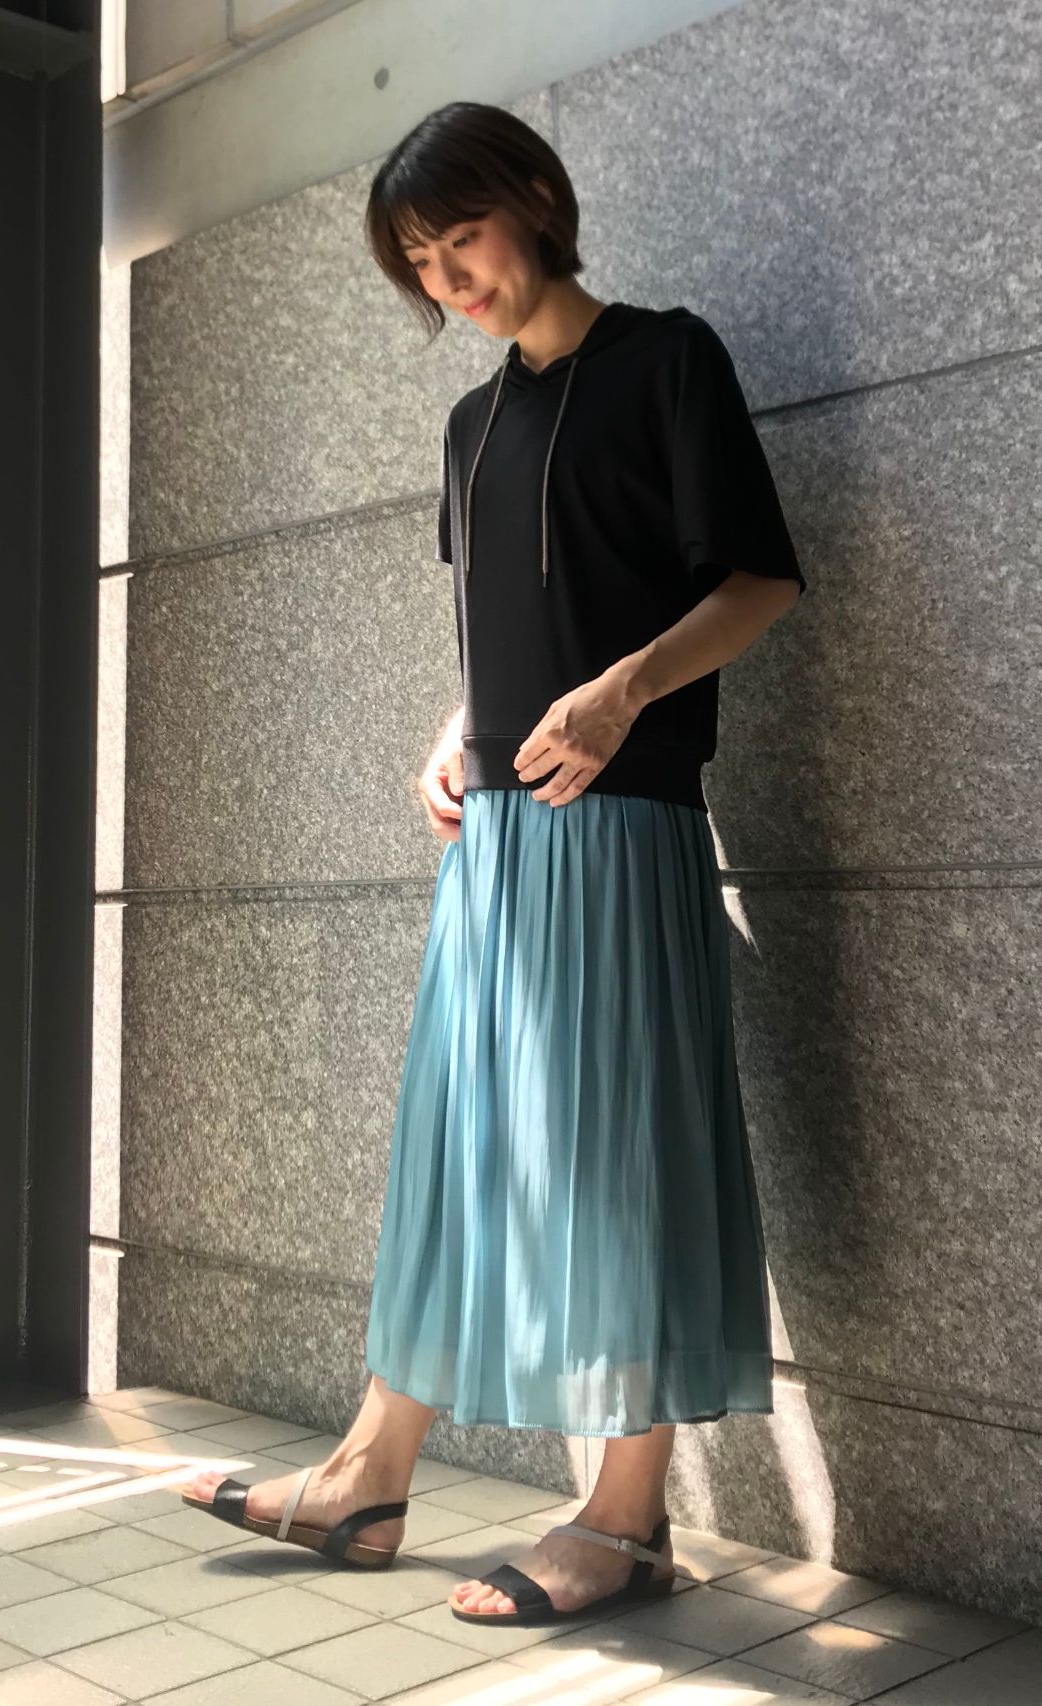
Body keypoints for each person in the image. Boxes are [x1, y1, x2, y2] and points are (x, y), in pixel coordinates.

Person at [180, 100, 807, 1628]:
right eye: (420, 260)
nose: (449, 278)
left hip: (626, 827)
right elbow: (500, 636)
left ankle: (628, 1520)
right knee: (454, 1152)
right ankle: (369, 1472)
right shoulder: (471, 430)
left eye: (462, 237)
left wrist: (624, 691)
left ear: (535, 198)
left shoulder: (668, 361)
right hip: (500, 846)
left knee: (619, 1160)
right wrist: (448, 736)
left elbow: (760, 582)